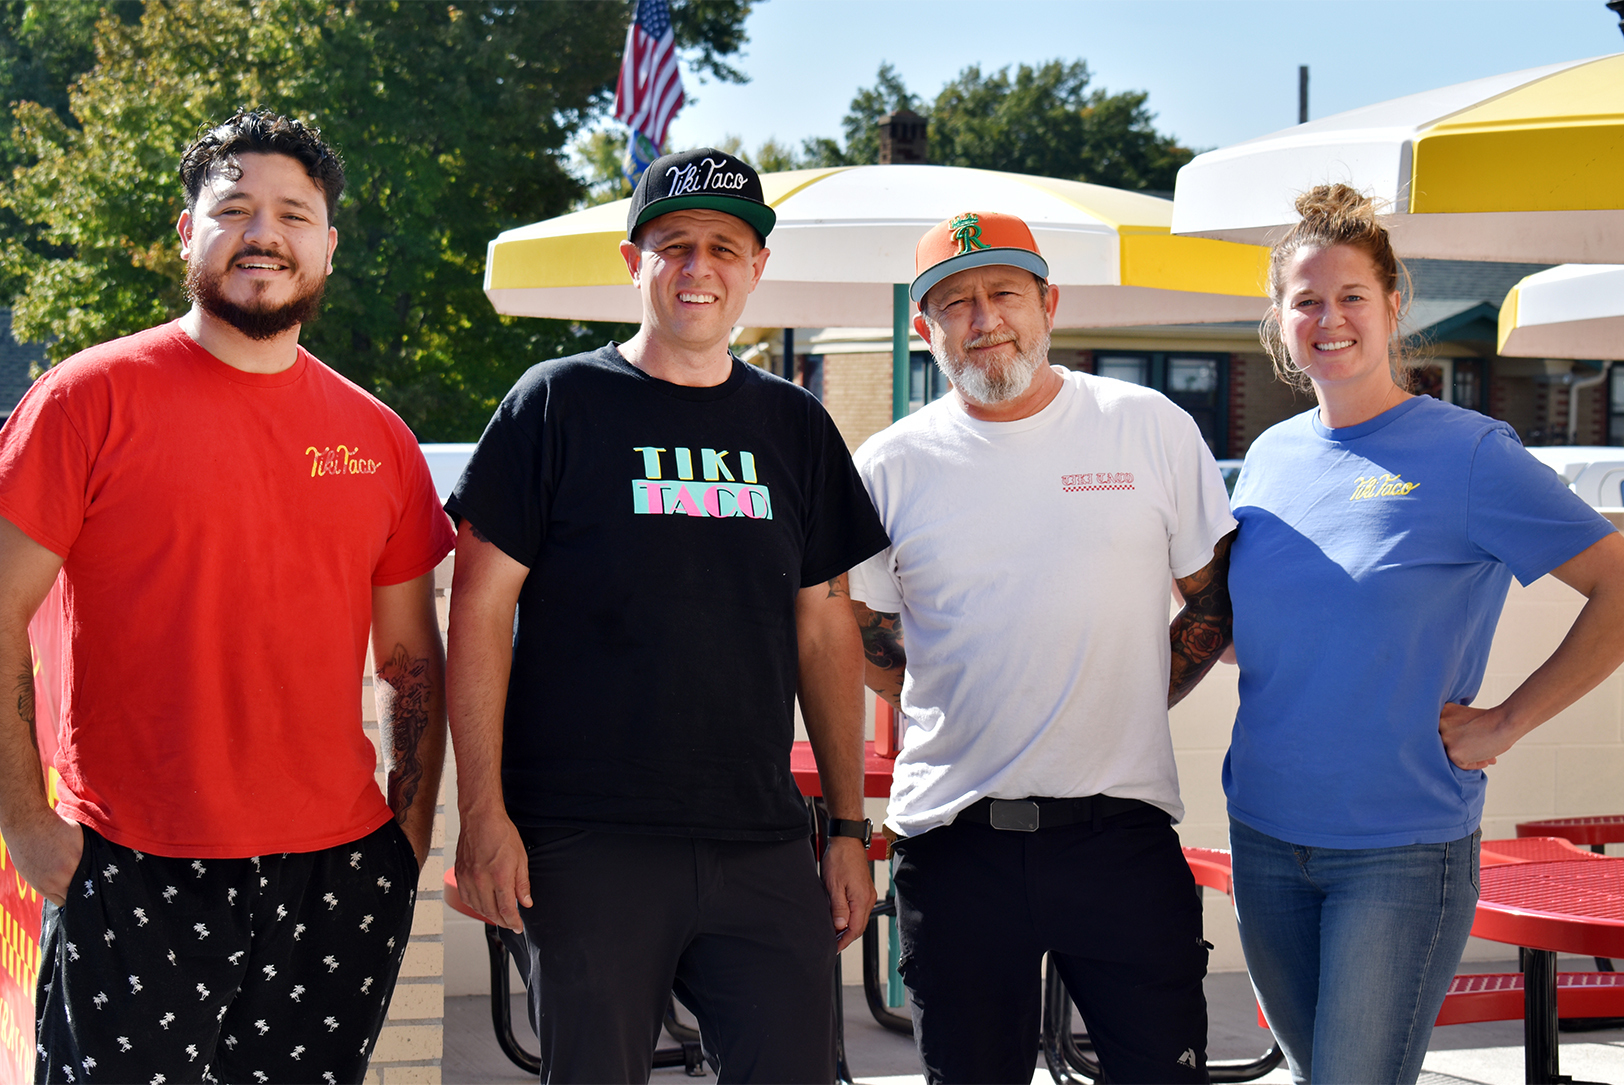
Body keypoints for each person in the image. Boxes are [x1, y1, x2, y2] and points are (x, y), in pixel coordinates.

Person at [0, 111, 455, 1084]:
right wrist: (24, 822)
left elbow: (410, 654)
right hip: (132, 863)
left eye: (295, 213)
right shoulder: (87, 400)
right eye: (235, 207)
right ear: (186, 230)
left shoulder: (378, 438)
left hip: (335, 879)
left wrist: (402, 849)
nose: (265, 232)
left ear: (327, 245)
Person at [444, 146, 890, 1084]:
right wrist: (481, 811)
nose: (700, 268)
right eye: (674, 244)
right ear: (632, 260)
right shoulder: (555, 401)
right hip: (583, 838)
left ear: (756, 268)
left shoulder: (796, 425)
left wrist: (846, 828)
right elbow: (478, 608)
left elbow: (825, 628)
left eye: (725, 247)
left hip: (763, 835)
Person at [1223, 184, 1624, 1085]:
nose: (1330, 319)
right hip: (1264, 833)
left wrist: (1509, 721)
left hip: (1399, 850)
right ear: (1281, 321)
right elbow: (1266, 634)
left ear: (1394, 305)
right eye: (1307, 300)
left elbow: (1617, 587)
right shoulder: (1270, 459)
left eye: (1351, 296)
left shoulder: (1471, 453)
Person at [848, 211, 1237, 1084]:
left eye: (1003, 293)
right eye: (955, 302)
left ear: (1048, 303)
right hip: (954, 846)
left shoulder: (1149, 427)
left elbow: (1213, 601)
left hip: (1121, 836)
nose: (984, 317)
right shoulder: (888, 465)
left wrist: (1125, 690)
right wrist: (971, 689)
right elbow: (865, 636)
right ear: (926, 328)